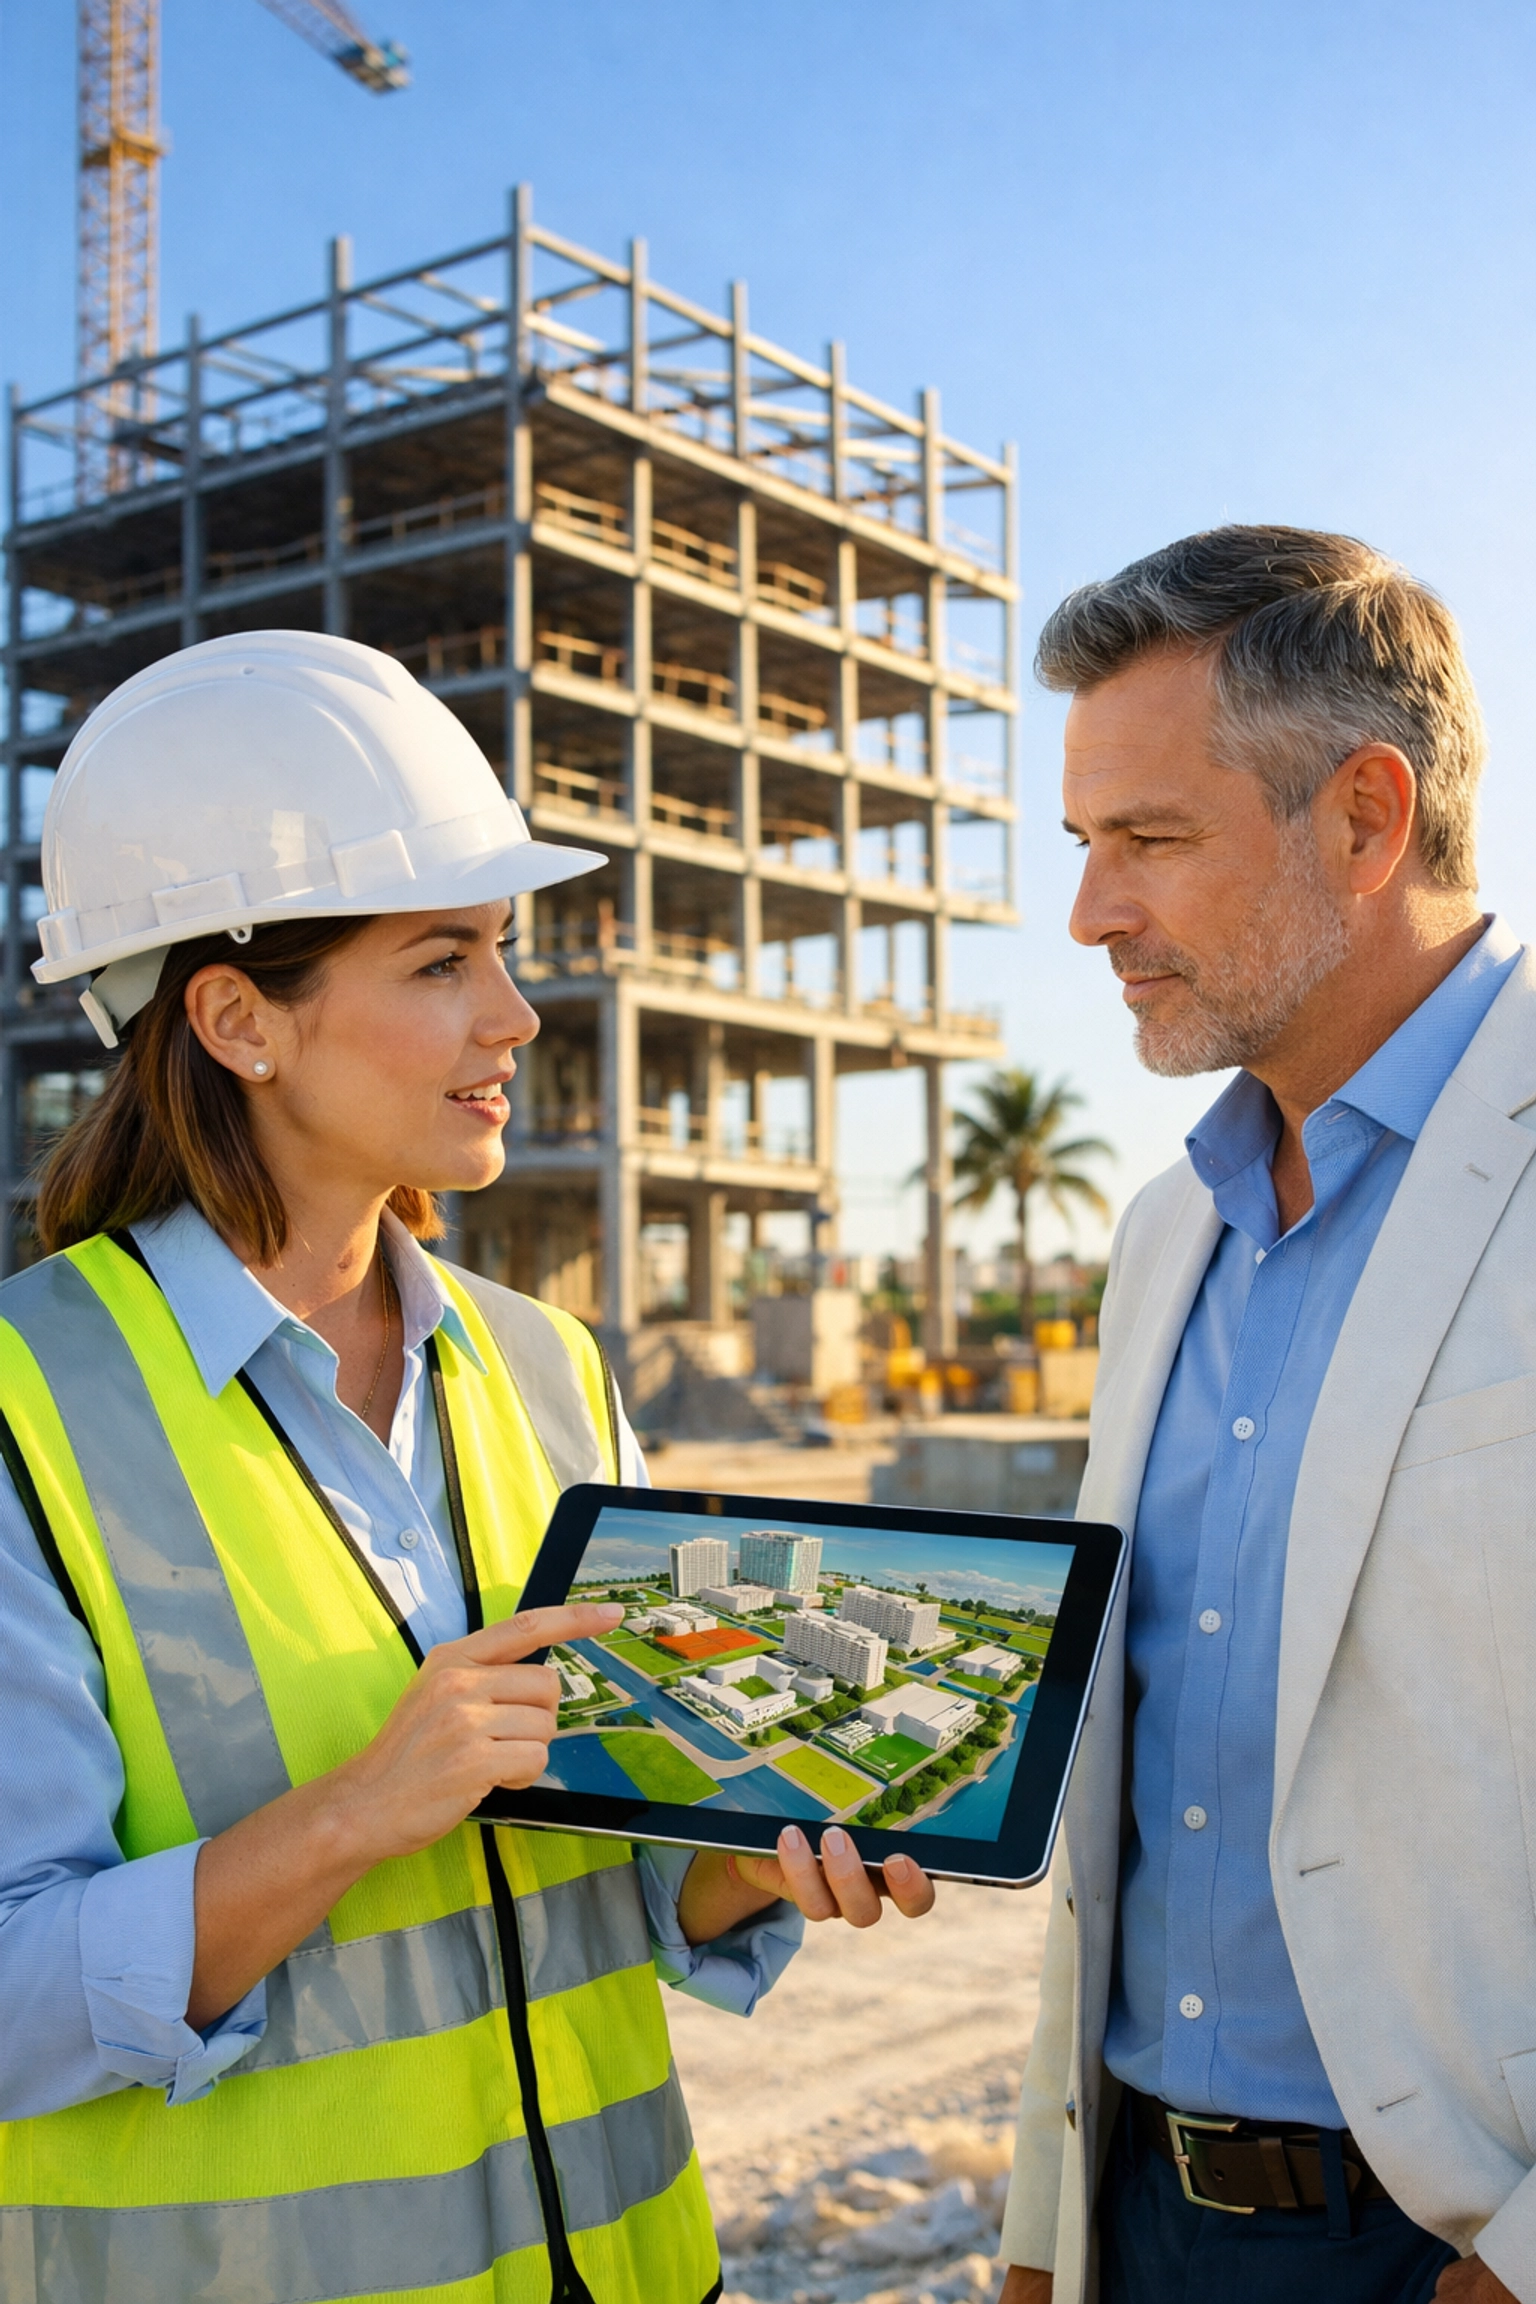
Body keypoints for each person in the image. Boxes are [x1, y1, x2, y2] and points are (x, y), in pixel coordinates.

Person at [0, 630, 934, 2304]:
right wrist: (360, 1813)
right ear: (236, 1018)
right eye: (442, 960)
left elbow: (622, 1887)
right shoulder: (22, 1411)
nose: (515, 1015)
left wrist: (750, 1862)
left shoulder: (550, 1370)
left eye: (503, 951)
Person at [997, 528, 1534, 2304]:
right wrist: (1038, 2230)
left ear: (1366, 822)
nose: (1089, 914)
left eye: (1148, 840)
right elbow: (1133, 1822)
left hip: (1456, 2239)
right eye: (1086, 846)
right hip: (1143, 2223)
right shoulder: (1167, 1236)